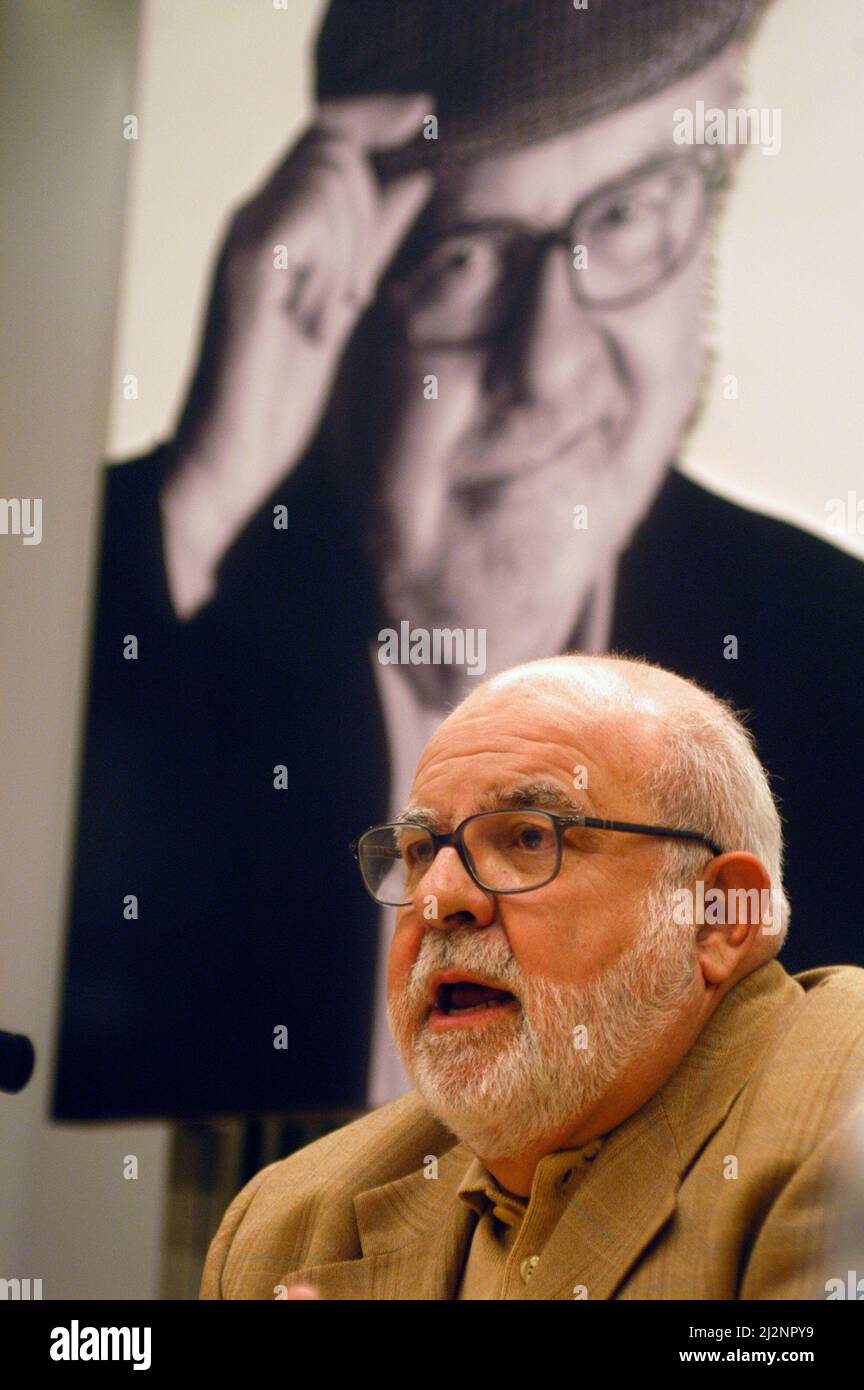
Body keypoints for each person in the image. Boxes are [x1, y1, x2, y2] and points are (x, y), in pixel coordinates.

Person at [54, 0, 864, 1122]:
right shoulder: (172, 598)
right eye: (464, 259)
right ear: (334, 306)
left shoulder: (838, 652)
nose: (546, 362)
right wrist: (201, 491)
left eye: (626, 214)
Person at [199, 653, 864, 1300]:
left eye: (529, 838)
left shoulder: (838, 1125)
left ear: (717, 917)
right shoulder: (284, 1230)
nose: (438, 897)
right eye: (421, 851)